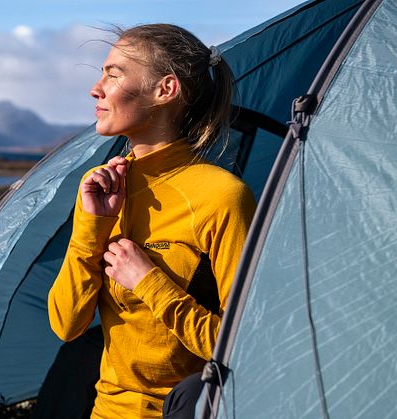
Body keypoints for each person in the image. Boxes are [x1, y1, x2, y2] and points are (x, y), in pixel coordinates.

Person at [47, 24, 257, 419]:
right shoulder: (102, 187)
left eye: (113, 74)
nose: (96, 89)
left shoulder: (222, 197)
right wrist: (92, 229)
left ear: (166, 89)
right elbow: (66, 325)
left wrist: (150, 284)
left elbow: (244, 347)